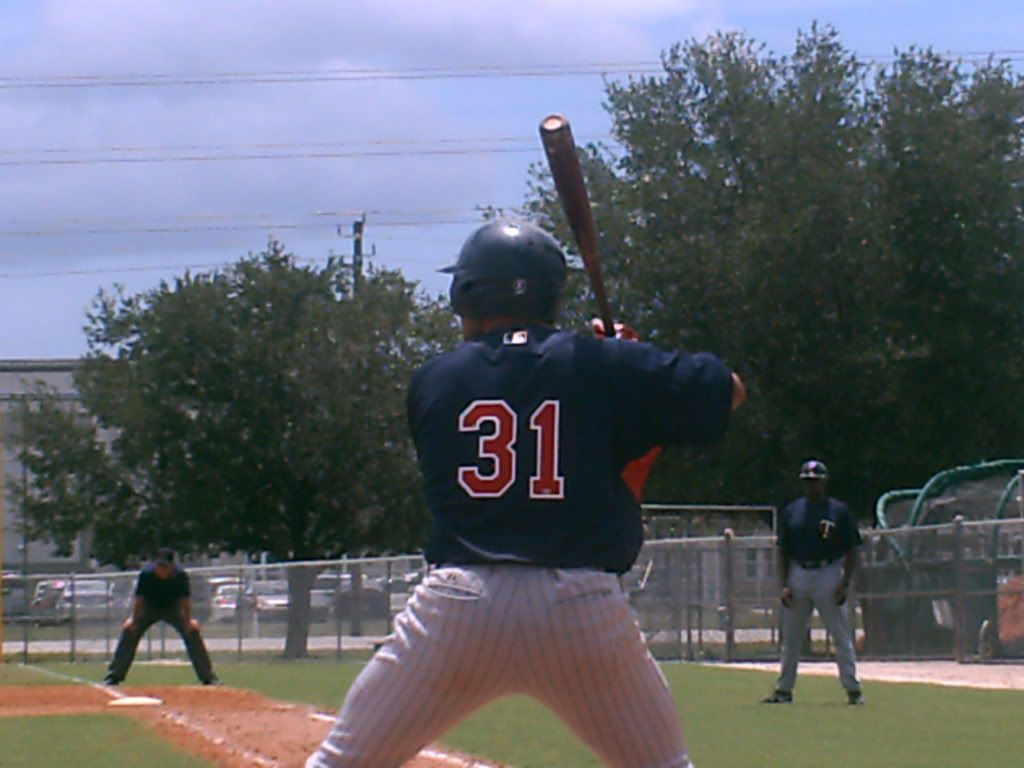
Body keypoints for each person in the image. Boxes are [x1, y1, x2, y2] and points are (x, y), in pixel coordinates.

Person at [307, 220, 746, 768]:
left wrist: (614, 374)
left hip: (460, 607)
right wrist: (630, 363)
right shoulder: (602, 365)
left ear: (469, 290)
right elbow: (728, 391)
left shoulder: (433, 380)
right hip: (580, 609)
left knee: (338, 764)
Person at [763, 460, 863, 705]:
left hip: (827, 571)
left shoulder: (838, 511)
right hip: (799, 572)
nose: (811, 485)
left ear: (824, 481)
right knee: (792, 636)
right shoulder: (792, 511)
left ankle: (852, 688)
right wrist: (784, 584)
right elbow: (783, 550)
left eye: (815, 480)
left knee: (839, 634)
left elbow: (852, 550)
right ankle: (784, 689)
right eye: (807, 481)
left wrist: (845, 583)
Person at [103, 547, 219, 686]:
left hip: (172, 608)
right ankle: (114, 675)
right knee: (129, 631)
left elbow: (185, 602)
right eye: (159, 565)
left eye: (165, 566)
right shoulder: (146, 575)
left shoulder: (180, 576)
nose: (161, 569)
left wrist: (188, 621)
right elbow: (139, 600)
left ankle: (208, 677)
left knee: (192, 632)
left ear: (171, 566)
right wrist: (133, 620)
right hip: (149, 608)